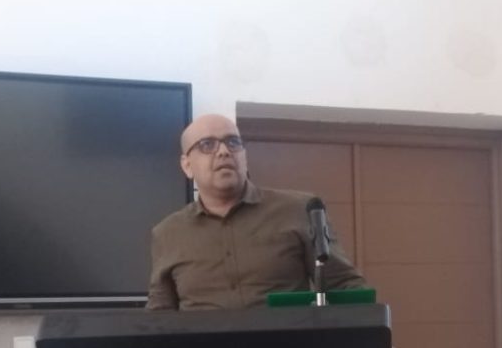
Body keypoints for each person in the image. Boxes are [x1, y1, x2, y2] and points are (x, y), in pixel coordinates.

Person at [146, 113, 366, 311]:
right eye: (207, 145)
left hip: (288, 342)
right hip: (202, 345)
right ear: (187, 165)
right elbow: (159, 316)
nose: (223, 152)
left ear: (244, 156)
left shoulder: (298, 210)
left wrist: (369, 336)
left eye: (233, 142)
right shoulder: (168, 233)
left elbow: (346, 286)